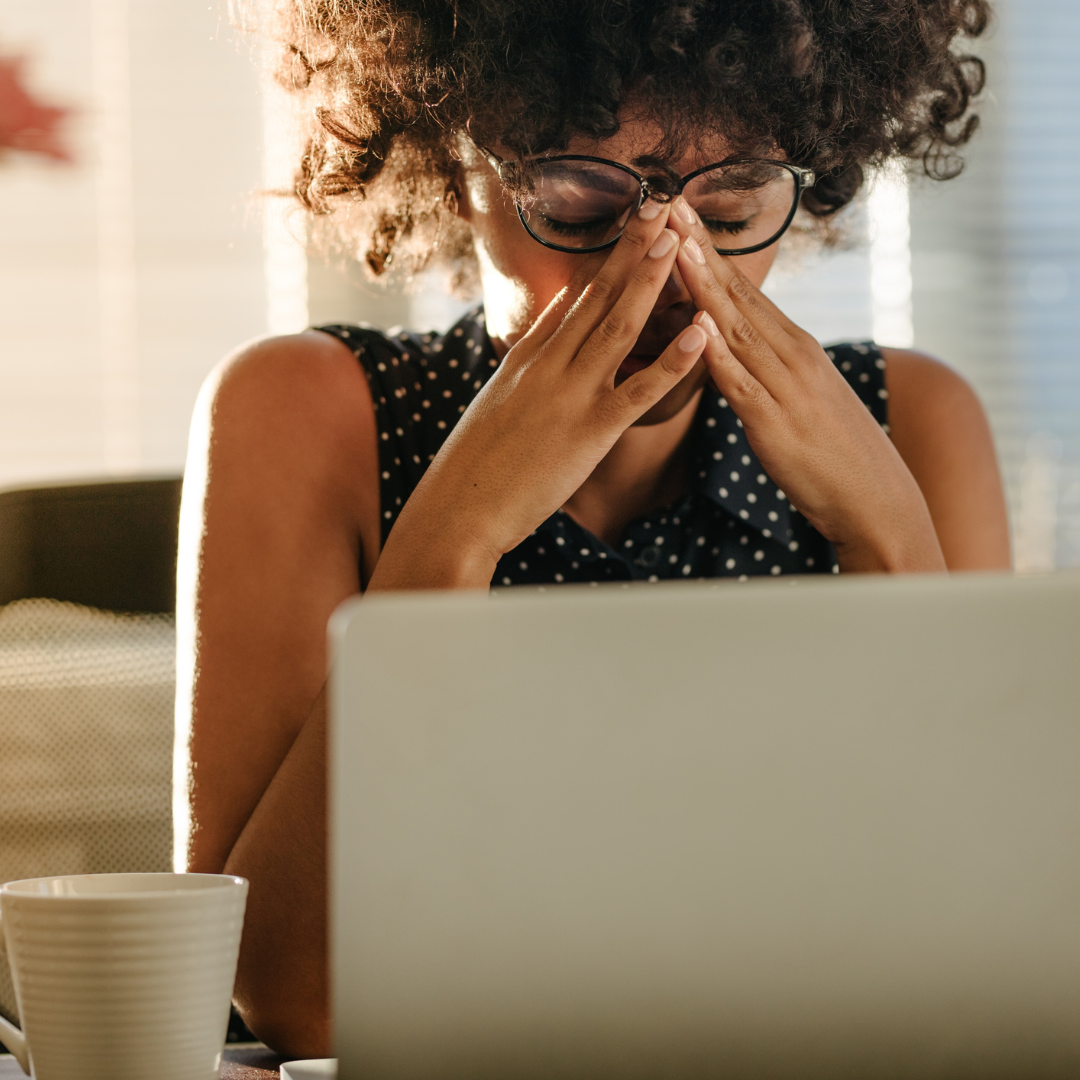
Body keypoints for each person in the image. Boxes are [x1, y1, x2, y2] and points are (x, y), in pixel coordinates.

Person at [179, 0, 1008, 1056]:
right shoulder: (306, 411)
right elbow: (296, 997)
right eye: (575, 200)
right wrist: (456, 534)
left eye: (737, 198)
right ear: (452, 162)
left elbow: (982, 963)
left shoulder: (916, 424)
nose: (660, 266)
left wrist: (890, 535)